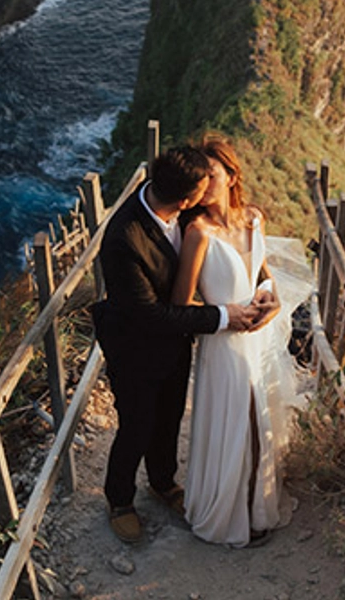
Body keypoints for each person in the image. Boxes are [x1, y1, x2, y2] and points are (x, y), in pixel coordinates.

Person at [92, 145, 258, 545]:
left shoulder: (180, 209)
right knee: (136, 424)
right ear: (184, 200)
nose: (208, 194)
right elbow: (149, 315)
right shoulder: (123, 239)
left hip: (175, 338)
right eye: (202, 190)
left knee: (168, 415)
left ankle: (162, 482)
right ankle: (119, 500)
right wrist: (222, 316)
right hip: (133, 344)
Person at [173, 135, 304, 548]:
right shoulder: (197, 232)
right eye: (200, 176)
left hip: (259, 338)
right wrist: (226, 315)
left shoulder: (253, 218)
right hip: (224, 343)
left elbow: (263, 274)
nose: (204, 184)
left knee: (259, 422)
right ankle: (228, 515)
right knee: (237, 425)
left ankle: (255, 509)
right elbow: (181, 304)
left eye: (212, 174)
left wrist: (272, 299)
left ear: (232, 176)